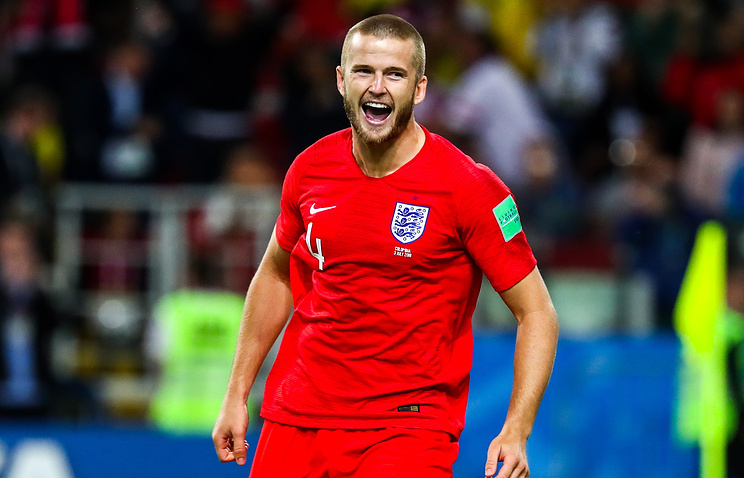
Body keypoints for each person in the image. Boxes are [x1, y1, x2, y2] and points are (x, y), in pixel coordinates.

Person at [212, 14, 559, 478]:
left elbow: (537, 313)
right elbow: (276, 273)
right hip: (297, 416)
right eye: (363, 72)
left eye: (394, 74)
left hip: (407, 430)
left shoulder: (469, 187)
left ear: (419, 89)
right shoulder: (310, 169)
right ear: (340, 81)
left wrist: (517, 428)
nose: (377, 88)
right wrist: (237, 392)